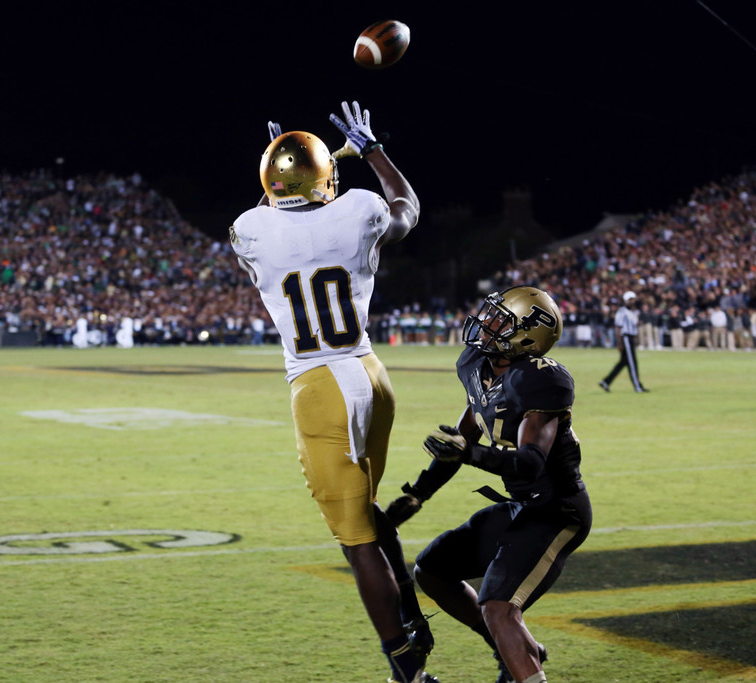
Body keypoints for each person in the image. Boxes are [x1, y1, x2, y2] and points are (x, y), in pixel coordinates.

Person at [229, 101, 436, 683]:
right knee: (367, 517)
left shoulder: (252, 229)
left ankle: (406, 666)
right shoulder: (359, 210)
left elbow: (276, 212)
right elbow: (406, 208)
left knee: (356, 539)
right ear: (328, 178)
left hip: (319, 386)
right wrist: (370, 148)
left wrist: (280, 168)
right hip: (370, 372)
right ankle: (413, 622)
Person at [385, 286, 591, 683]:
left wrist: (468, 454)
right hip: (522, 507)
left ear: (527, 336)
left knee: (498, 606)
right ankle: (511, 650)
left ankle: (519, 661)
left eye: (501, 320)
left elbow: (530, 463)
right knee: (433, 569)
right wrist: (418, 494)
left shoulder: (540, 380)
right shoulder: (479, 365)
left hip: (557, 511)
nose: (487, 323)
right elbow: (466, 433)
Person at [599, 291, 648, 392]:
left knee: (623, 362)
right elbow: (618, 327)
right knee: (632, 362)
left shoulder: (633, 312)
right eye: (630, 299)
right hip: (625, 338)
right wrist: (619, 343)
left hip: (631, 337)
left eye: (633, 299)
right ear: (626, 300)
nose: (632, 301)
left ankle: (606, 381)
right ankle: (637, 386)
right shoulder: (622, 311)